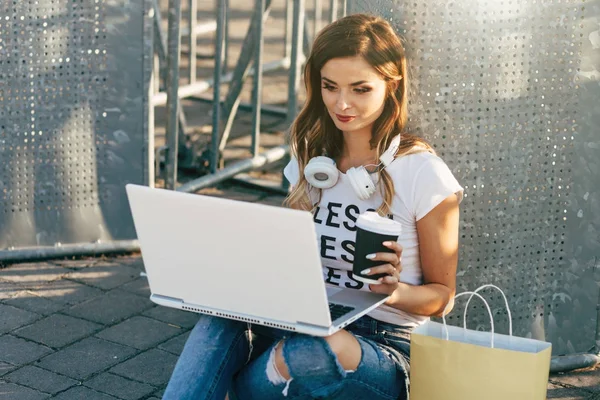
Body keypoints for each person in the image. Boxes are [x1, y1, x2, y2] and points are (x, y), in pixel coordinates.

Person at [163, 13, 463, 400]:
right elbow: (289, 261)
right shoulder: (312, 165)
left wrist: (393, 291)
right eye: (330, 86)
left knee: (320, 350)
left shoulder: (424, 173)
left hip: (387, 344)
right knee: (218, 322)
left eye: (360, 89)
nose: (342, 103)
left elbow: (444, 297)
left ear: (391, 85)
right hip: (308, 318)